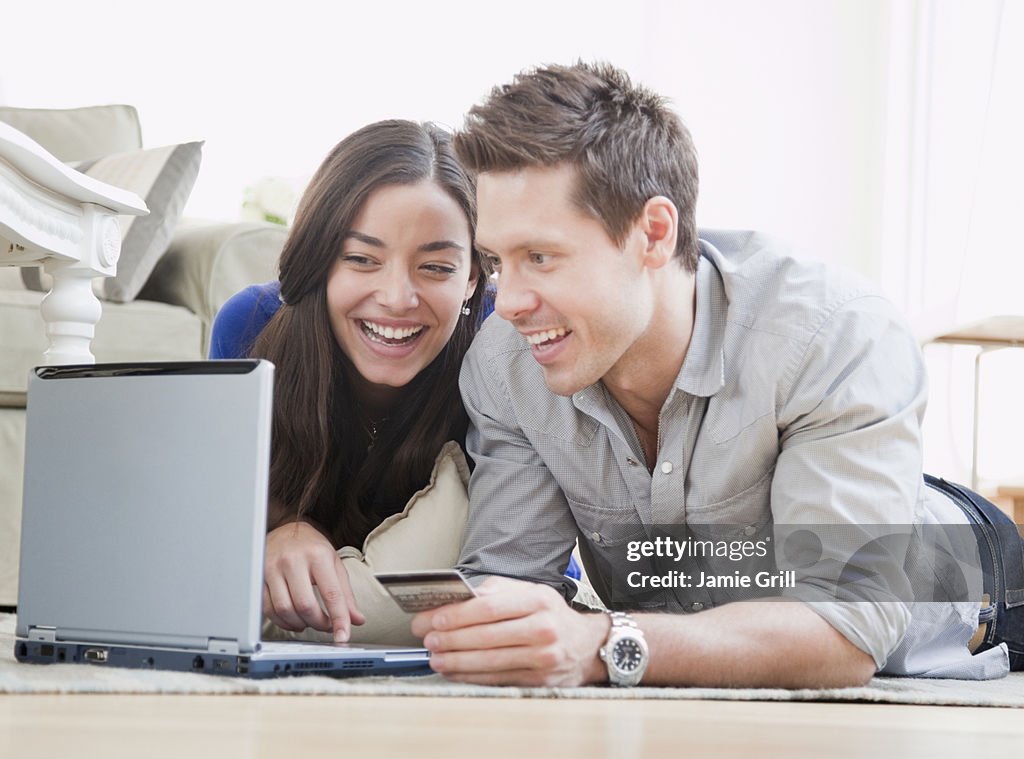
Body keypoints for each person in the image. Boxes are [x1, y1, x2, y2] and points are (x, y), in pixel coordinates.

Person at [410, 61, 1024, 688]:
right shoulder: (506, 360)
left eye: (540, 257)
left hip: (979, 591)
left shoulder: (833, 331)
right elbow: (509, 582)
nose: (508, 300)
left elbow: (845, 632)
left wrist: (602, 642)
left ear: (653, 234)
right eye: (495, 260)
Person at [210, 120, 489, 646]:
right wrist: (277, 530)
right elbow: (219, 513)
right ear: (319, 259)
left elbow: (539, 557)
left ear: (473, 275)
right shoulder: (251, 326)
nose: (397, 297)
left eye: (435, 266)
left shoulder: (502, 347)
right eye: (361, 259)